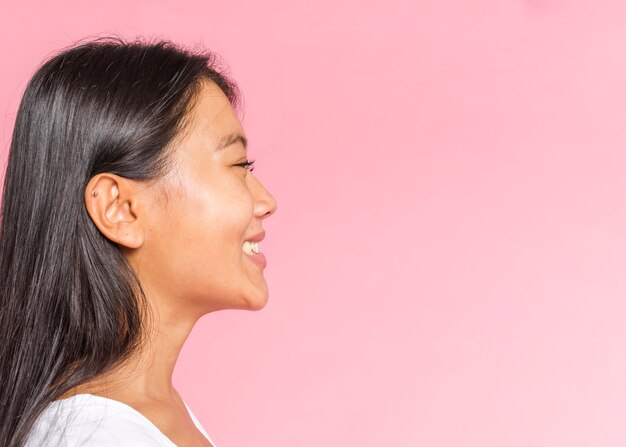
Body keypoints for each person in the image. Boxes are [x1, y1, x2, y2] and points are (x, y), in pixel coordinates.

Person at [0, 36, 277, 447]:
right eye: (238, 165)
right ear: (120, 209)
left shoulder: (147, 416)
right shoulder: (94, 437)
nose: (266, 201)